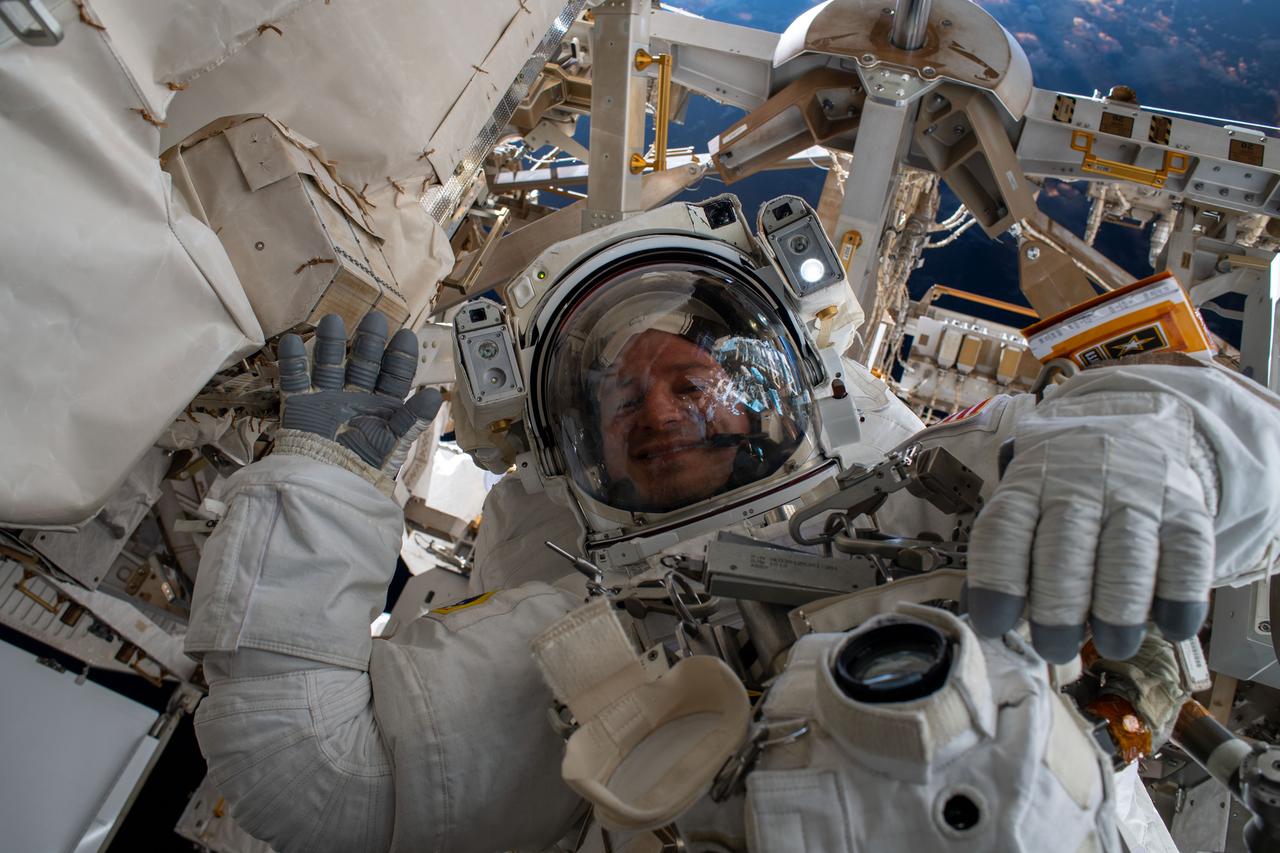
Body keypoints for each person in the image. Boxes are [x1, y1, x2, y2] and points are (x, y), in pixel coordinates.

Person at [186, 294, 1280, 852]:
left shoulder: (918, 490)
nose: (657, 410)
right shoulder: (564, 641)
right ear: (580, 453)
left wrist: (1145, 442)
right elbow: (315, 782)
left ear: (772, 391)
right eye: (620, 402)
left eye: (688, 380)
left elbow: (1243, 465)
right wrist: (322, 483)